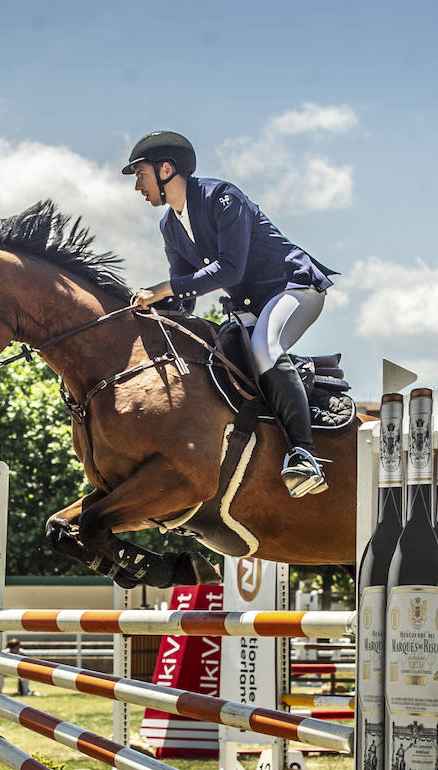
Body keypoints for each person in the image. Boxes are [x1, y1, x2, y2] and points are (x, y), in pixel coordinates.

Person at [122, 130, 336, 498]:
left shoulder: (222, 197)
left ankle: (306, 455)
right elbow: (184, 296)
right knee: (223, 358)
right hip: (250, 305)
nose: (138, 186)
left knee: (265, 349)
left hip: (293, 287)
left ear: (166, 169)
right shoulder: (169, 226)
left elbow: (229, 270)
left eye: (141, 174)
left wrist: (164, 289)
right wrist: (151, 313)